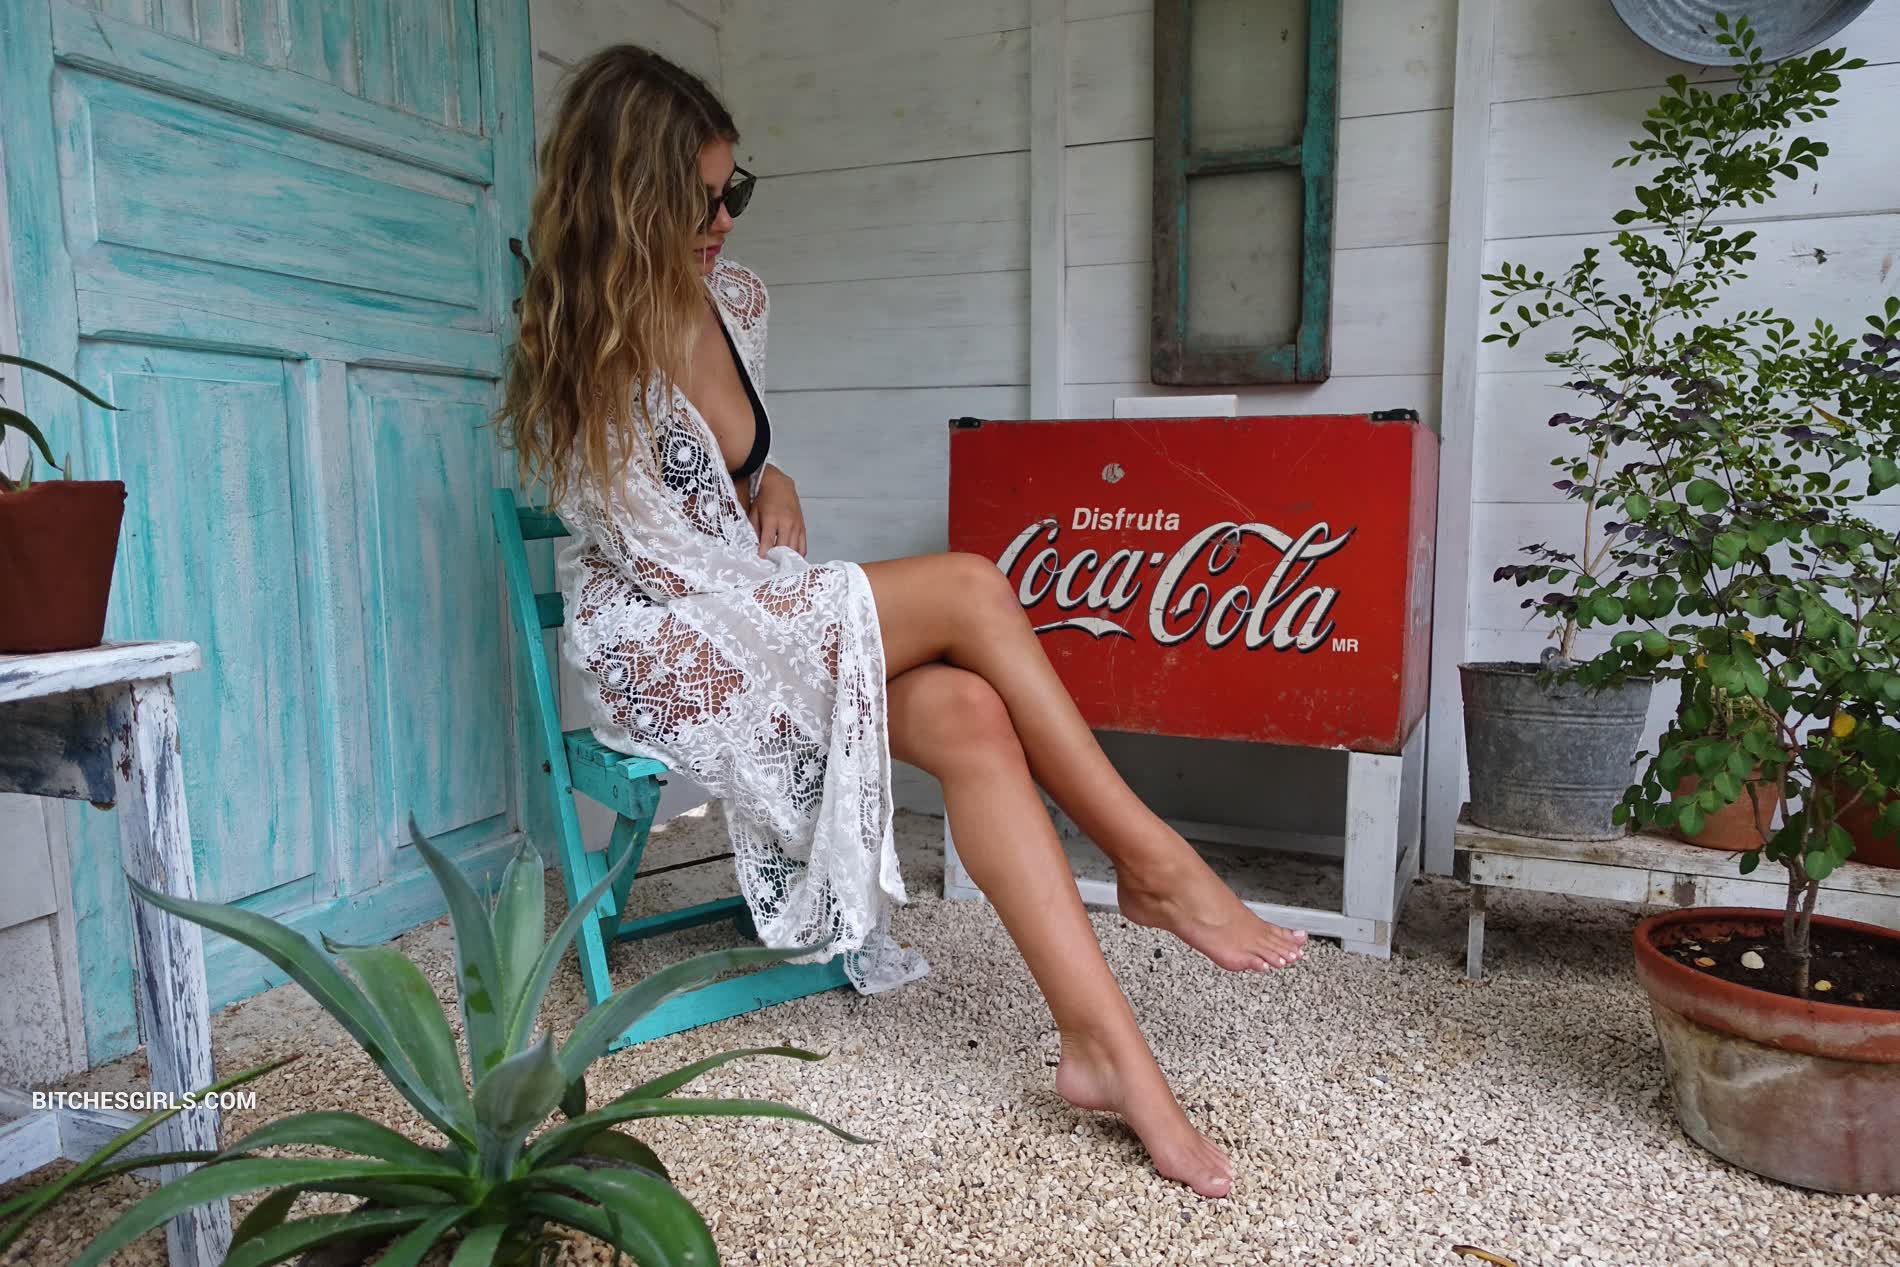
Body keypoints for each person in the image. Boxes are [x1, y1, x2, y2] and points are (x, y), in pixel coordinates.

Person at [496, 45, 1308, 1200]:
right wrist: (775, 554)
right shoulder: (586, 339)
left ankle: (1104, 1051)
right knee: (972, 586)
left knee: (969, 711)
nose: (723, 221)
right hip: (669, 643)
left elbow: (719, 476)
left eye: (735, 192)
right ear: (628, 201)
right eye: (698, 200)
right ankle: (1153, 860)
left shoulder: (735, 300)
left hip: (744, 601)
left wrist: (771, 481)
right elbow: (667, 558)